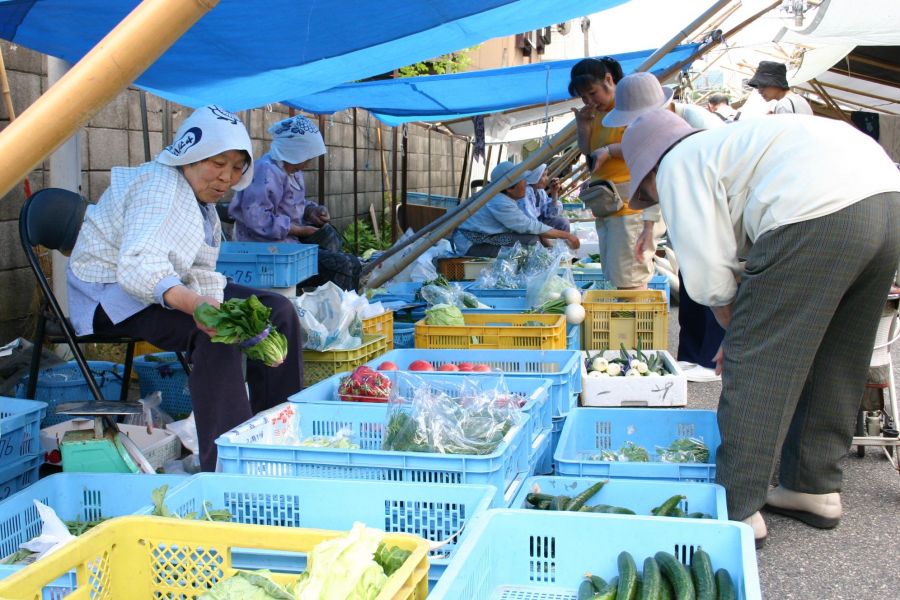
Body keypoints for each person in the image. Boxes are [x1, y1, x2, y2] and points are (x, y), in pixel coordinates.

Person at [620, 109, 900, 547]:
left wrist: (741, 336)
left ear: (652, 166)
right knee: (839, 355)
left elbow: (710, 275)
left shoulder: (679, 161)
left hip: (816, 211)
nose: (653, 197)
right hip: (886, 199)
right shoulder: (732, 143)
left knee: (759, 368)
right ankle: (814, 486)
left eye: (646, 189)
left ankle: (738, 507)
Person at [67, 106, 304, 471]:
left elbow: (202, 271)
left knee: (279, 311)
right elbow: (138, 266)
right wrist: (199, 307)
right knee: (215, 333)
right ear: (190, 156)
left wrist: (211, 301)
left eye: (237, 167)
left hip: (159, 291)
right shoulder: (159, 187)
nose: (227, 177)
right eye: (217, 163)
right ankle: (227, 467)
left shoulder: (201, 202)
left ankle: (276, 436)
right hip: (112, 299)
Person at [603, 72, 727, 382]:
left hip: (719, 210)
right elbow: (656, 179)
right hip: (700, 210)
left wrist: (731, 333)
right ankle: (692, 356)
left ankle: (711, 359)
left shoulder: (696, 126)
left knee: (710, 279)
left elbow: (666, 178)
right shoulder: (659, 139)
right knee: (692, 282)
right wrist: (649, 228)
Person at [228, 114, 361, 290]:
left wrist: (312, 212)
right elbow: (257, 217)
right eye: (307, 157)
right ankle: (341, 311)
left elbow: (293, 204)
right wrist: (298, 229)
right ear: (294, 151)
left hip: (287, 248)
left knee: (339, 252)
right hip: (264, 252)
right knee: (345, 266)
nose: (308, 163)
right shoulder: (265, 171)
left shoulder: (292, 171)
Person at [568, 57, 656, 290]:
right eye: (583, 97)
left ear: (609, 79)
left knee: (630, 277)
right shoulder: (595, 113)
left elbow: (645, 144)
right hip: (607, 207)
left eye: (592, 93)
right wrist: (583, 124)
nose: (589, 101)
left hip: (630, 207)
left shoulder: (630, 106)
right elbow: (588, 152)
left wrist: (610, 151)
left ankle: (632, 323)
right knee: (616, 275)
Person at [452, 160, 579, 258]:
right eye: (522, 181)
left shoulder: (504, 197)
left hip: (486, 237)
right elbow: (529, 226)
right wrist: (566, 235)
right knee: (529, 242)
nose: (525, 184)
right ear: (509, 188)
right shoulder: (499, 202)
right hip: (472, 245)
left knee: (529, 240)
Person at [748, 60, 813, 115]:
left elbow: (784, 130)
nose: (759, 91)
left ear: (776, 83)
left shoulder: (783, 105)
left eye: (763, 85)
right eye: (758, 87)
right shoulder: (801, 100)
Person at [521, 163, 569, 232]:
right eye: (543, 175)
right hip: (526, 228)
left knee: (562, 222)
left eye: (547, 175)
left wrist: (554, 193)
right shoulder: (526, 192)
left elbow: (550, 214)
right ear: (535, 176)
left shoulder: (540, 192)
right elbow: (531, 221)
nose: (547, 178)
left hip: (538, 223)